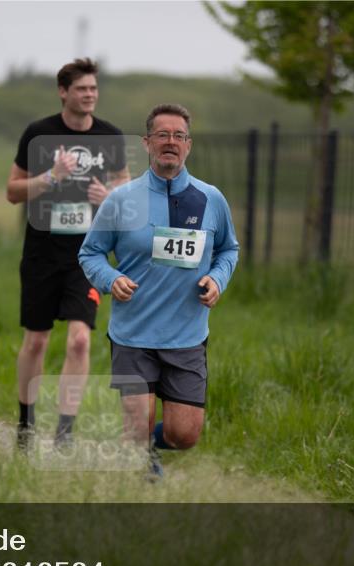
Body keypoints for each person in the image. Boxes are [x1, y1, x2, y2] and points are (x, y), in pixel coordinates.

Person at [78, 104, 239, 479]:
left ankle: (136, 447)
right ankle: (137, 460)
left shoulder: (211, 198)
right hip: (133, 334)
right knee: (136, 429)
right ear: (147, 143)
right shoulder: (121, 200)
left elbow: (229, 249)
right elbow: (91, 252)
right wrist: (109, 279)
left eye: (179, 136)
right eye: (163, 135)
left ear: (189, 145)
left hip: (186, 335)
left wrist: (218, 279)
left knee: (184, 435)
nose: (171, 142)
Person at [5, 58, 130, 450]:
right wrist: (50, 178)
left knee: (79, 341)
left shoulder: (110, 137)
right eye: (81, 89)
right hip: (42, 252)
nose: (89, 95)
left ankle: (64, 432)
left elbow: (125, 193)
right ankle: (25, 425)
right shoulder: (39, 134)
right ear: (63, 92)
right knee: (37, 341)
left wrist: (108, 196)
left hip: (88, 256)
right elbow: (12, 191)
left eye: (94, 89)